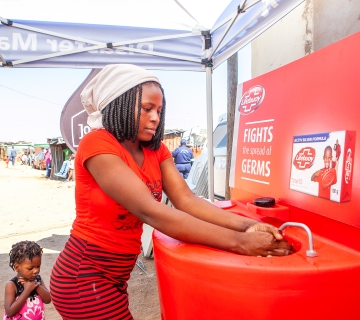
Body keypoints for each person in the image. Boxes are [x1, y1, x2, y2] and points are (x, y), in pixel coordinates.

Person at [49, 64, 292, 320]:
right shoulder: (98, 144)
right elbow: (151, 211)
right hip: (84, 276)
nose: (155, 117)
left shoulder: (157, 150)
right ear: (119, 104)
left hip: (116, 276)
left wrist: (247, 226)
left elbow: (186, 200)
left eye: (159, 110)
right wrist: (239, 243)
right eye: (146, 108)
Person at [4, 240, 51, 319]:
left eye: (38, 266)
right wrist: (27, 291)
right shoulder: (12, 285)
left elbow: (48, 299)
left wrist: (36, 286)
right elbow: (10, 312)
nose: (36, 271)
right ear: (17, 267)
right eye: (30, 268)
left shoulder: (38, 279)